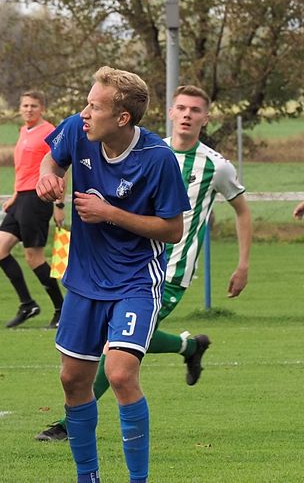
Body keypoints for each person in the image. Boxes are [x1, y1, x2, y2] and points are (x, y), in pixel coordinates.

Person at [35, 84, 253, 442]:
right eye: (180, 107)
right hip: (113, 269)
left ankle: (67, 423)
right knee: (124, 345)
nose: (186, 115)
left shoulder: (216, 165)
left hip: (170, 272)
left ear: (205, 118)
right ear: (169, 112)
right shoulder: (146, 148)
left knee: (118, 355)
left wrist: (242, 265)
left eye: (195, 110)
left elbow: (242, 212)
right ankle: (190, 346)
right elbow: (58, 158)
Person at [35, 66, 190, 483]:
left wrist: (110, 214)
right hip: (84, 282)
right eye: (86, 103)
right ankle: (89, 477)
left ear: (122, 118)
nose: (84, 113)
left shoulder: (157, 159)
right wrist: (47, 176)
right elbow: (53, 157)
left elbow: (173, 230)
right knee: (72, 380)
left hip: (136, 281)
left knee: (120, 374)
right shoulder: (76, 131)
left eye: (95, 106)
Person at [0, 90, 66, 329]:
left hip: (37, 198)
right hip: (21, 199)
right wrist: (14, 195)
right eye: (25, 105)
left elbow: (60, 167)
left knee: (34, 257)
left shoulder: (49, 132)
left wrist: (59, 203)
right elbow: (23, 168)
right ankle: (27, 304)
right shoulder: (23, 131)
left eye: (34, 105)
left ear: (42, 108)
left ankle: (61, 309)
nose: (28, 109)